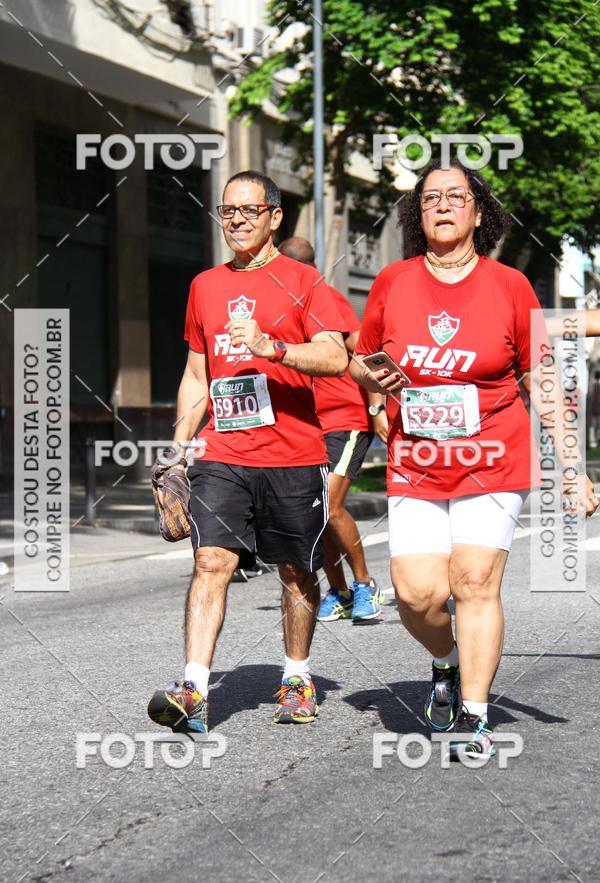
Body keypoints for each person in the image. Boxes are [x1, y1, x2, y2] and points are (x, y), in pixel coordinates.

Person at [352, 159, 599, 759]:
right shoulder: (393, 281)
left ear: (477, 213)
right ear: (418, 214)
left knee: (474, 583)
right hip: (415, 458)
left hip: (492, 454)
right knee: (415, 593)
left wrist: (573, 468)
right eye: (429, 198)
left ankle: (476, 712)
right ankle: (447, 662)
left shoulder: (509, 285)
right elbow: (362, 360)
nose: (440, 205)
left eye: (454, 197)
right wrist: (378, 393)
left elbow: (540, 381)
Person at [147, 170, 347, 733]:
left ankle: (297, 674)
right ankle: (194, 687)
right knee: (211, 562)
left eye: (248, 211)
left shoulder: (305, 282)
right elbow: (195, 371)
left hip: (292, 454)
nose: (235, 220)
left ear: (274, 217)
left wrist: (272, 347)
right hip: (224, 455)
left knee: (294, 571)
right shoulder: (205, 286)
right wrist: (180, 445)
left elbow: (333, 358)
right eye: (226, 211)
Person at [279, 237, 385, 623]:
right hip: (307, 424)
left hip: (346, 419)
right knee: (312, 512)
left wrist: (376, 407)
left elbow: (365, 350)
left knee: (329, 504)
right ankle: (337, 590)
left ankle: (365, 584)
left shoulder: (326, 298)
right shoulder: (276, 304)